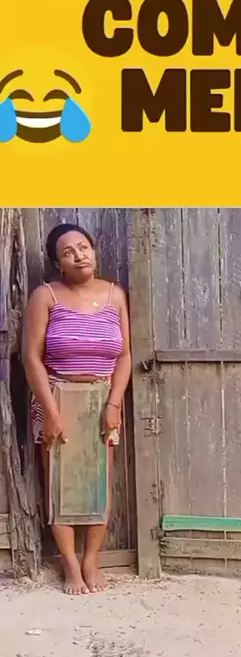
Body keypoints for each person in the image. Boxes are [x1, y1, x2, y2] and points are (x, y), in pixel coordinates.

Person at [21, 223, 132, 595]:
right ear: (58, 263)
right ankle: (70, 565)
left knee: (99, 481)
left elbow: (125, 356)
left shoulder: (116, 295)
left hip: (102, 399)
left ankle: (91, 561)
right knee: (60, 483)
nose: (78, 255)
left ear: (94, 251)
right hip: (56, 396)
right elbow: (31, 358)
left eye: (83, 247)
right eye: (68, 252)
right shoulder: (46, 296)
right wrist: (51, 411)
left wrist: (114, 403)